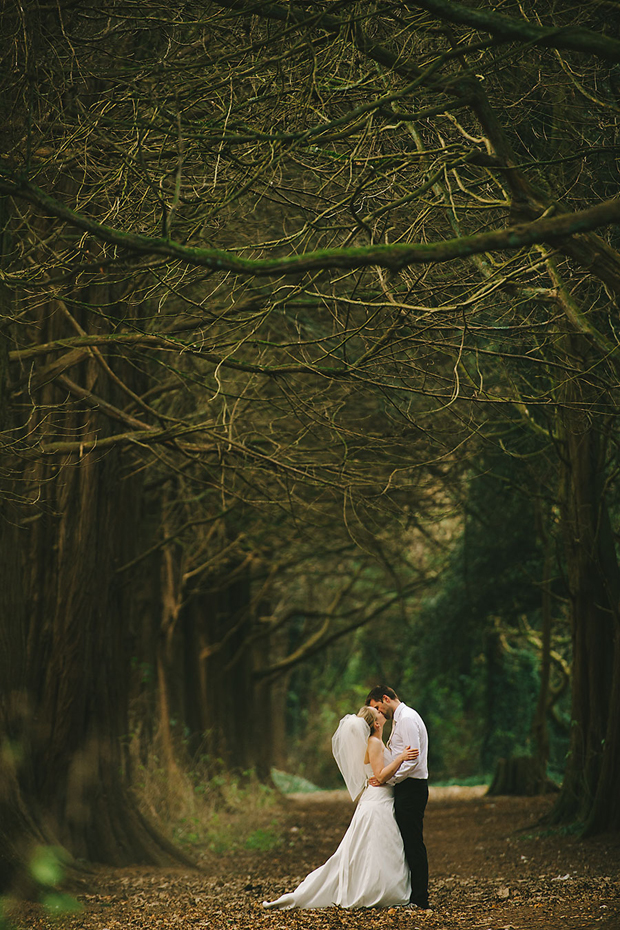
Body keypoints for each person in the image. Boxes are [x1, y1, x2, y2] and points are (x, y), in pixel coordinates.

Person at [262, 705, 418, 910]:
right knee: (376, 846)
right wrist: (400, 759)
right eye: (378, 712)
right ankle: (376, 890)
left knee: (375, 847)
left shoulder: (375, 742)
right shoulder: (374, 743)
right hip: (378, 801)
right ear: (377, 723)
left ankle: (378, 887)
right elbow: (380, 776)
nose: (381, 711)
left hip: (379, 798)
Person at [366, 685, 430, 911]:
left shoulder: (408, 719)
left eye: (377, 708)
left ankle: (420, 899)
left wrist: (387, 780)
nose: (378, 714)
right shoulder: (398, 720)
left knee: (413, 843)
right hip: (404, 788)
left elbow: (412, 760)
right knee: (404, 842)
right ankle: (409, 893)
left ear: (385, 698)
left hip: (412, 788)